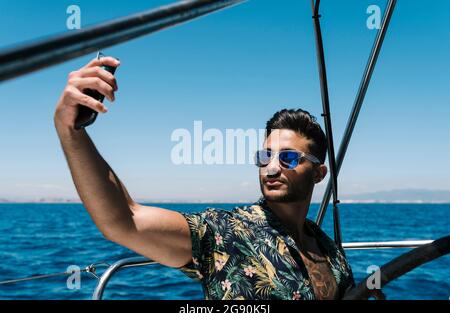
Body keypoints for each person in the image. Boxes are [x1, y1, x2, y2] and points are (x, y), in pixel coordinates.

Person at [54, 56, 354, 300]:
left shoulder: (329, 248)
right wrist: (71, 130)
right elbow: (124, 221)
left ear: (318, 173)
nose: (271, 168)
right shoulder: (227, 233)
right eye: (265, 157)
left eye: (288, 158)